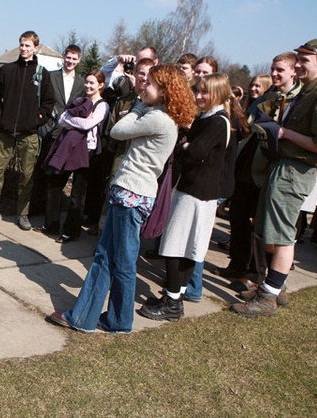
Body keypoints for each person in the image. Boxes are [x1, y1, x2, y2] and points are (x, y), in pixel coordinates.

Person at [47, 64, 196, 334]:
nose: (143, 87)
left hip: (131, 195)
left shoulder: (158, 118)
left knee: (115, 259)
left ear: (164, 90)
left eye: (149, 84)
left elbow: (116, 130)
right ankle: (115, 319)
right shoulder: (163, 116)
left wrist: (137, 107)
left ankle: (89, 318)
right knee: (114, 257)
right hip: (133, 194)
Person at [233, 40, 317, 317]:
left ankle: (268, 297)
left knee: (282, 237)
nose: (298, 65)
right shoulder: (308, 92)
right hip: (282, 166)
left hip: (295, 170)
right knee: (269, 231)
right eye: (298, 59)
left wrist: (283, 133)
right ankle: (273, 286)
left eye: (305, 60)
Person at [140, 74, 247, 321]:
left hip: (196, 192)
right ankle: (173, 295)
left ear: (219, 94)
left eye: (204, 92)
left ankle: (173, 301)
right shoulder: (208, 119)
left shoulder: (218, 122)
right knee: (181, 246)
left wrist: (185, 146)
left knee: (177, 246)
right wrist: (186, 145)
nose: (198, 96)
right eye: (197, 91)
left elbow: (193, 153)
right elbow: (189, 148)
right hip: (192, 189)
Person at [220, 56, 297, 286]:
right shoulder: (266, 99)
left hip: (264, 171)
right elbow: (250, 126)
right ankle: (237, 265)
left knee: (260, 227)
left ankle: (256, 274)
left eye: (280, 70)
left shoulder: (295, 101)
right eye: (272, 69)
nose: (274, 73)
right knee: (238, 218)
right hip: (247, 166)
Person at [0, 31, 54, 230]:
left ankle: (23, 214)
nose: (24, 49)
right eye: (22, 44)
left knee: (27, 177)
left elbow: (48, 103)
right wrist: (0, 115)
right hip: (5, 133)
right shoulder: (7, 70)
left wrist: (36, 120)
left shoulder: (42, 74)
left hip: (29, 135)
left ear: (36, 48)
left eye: (28, 46)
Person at [34, 70, 109, 243]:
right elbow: (61, 120)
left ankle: (71, 231)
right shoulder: (80, 101)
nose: (88, 86)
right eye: (87, 82)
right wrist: (76, 120)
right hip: (68, 149)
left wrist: (72, 119)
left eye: (92, 83)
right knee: (54, 186)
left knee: (78, 194)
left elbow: (88, 124)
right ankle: (50, 224)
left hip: (87, 152)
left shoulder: (102, 106)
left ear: (101, 85)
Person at [86, 57, 154, 235]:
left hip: (143, 160)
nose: (143, 78)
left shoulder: (155, 106)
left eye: (148, 74)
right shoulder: (124, 101)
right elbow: (112, 129)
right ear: (134, 73)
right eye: (140, 73)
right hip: (121, 154)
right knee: (112, 193)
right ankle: (103, 236)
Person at [30, 44, 85, 216]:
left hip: (67, 134)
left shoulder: (81, 83)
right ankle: (34, 207)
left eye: (74, 59)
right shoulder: (51, 76)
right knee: (41, 170)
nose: (70, 61)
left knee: (56, 174)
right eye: (68, 57)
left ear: (79, 60)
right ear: (64, 57)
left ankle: (50, 207)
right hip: (50, 130)